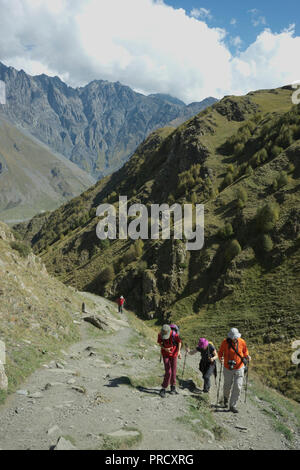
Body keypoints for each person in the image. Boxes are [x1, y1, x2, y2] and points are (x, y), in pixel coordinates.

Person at [218, 328, 251, 414]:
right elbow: (220, 352)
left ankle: (233, 405)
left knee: (238, 386)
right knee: (227, 386)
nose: (234, 339)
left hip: (239, 367)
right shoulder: (225, 342)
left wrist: (247, 356)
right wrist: (220, 358)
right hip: (227, 367)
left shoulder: (242, 342)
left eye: (235, 337)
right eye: (233, 337)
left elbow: (245, 351)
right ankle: (225, 398)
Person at [157, 324, 182, 398]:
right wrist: (165, 349)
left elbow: (179, 342)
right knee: (168, 372)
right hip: (165, 354)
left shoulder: (174, 334)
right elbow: (160, 343)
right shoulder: (160, 334)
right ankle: (163, 388)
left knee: (174, 371)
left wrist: (179, 352)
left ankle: (173, 387)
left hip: (174, 354)